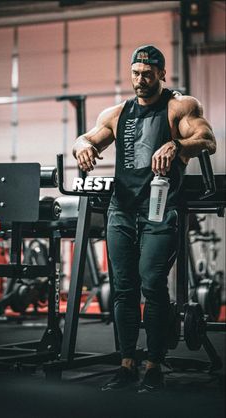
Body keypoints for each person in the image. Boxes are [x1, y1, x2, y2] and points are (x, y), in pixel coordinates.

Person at [72, 45, 216, 392]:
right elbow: (85, 139)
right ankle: (126, 363)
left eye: (148, 73)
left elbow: (207, 139)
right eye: (136, 72)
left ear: (162, 74)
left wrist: (179, 147)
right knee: (124, 289)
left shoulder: (180, 106)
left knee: (152, 285)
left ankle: (153, 364)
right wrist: (82, 146)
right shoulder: (116, 113)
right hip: (121, 209)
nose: (141, 79)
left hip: (159, 209)